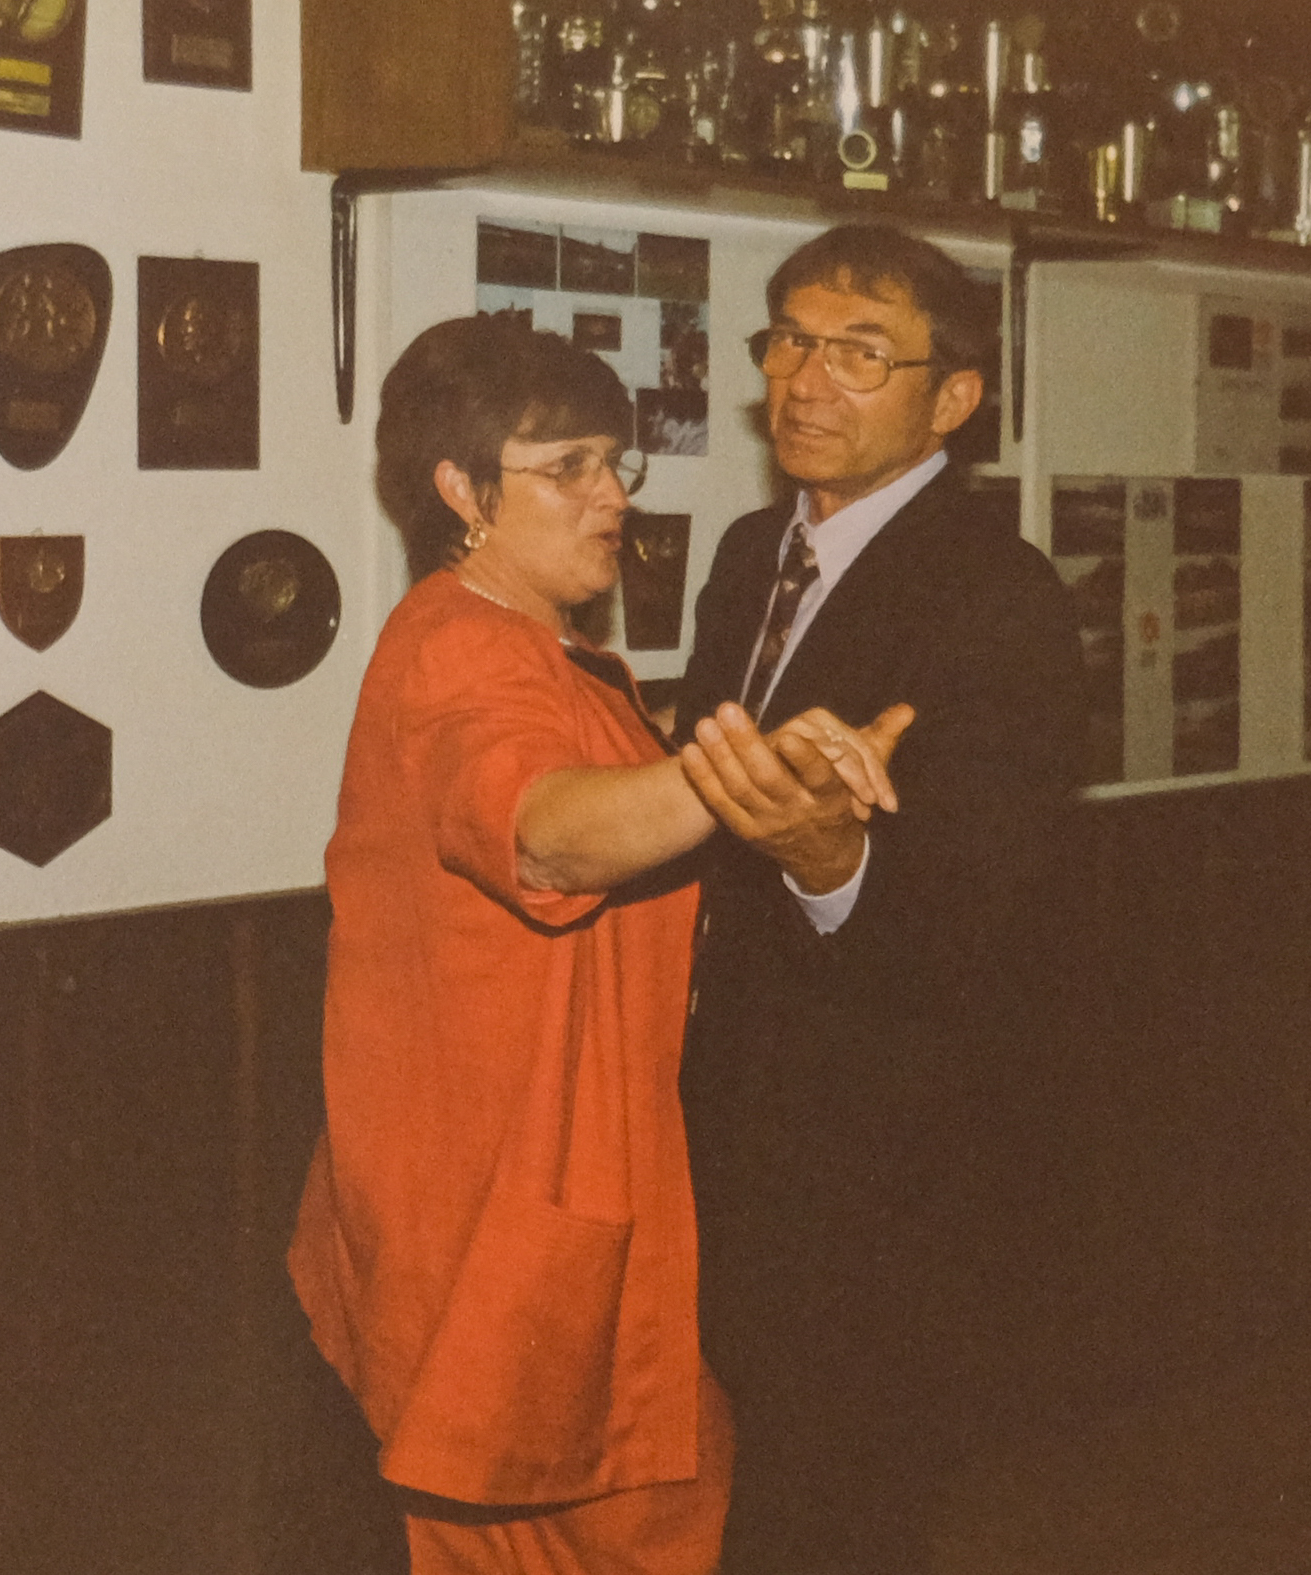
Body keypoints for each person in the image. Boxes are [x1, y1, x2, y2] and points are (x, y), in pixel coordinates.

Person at [284, 313, 903, 1575]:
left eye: (615, 463)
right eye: (566, 467)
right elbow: (547, 834)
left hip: (563, 1188)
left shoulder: (537, 647)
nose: (612, 496)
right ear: (461, 493)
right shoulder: (458, 648)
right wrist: (737, 778)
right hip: (497, 1215)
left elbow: (589, 776)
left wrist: (726, 765)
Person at [668, 224, 1084, 1574]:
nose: (806, 379)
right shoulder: (751, 551)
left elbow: (985, 905)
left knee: (832, 1510)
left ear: (950, 399)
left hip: (882, 1152)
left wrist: (829, 860)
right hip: (724, 1110)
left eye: (860, 353)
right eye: (790, 339)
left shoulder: (999, 595)